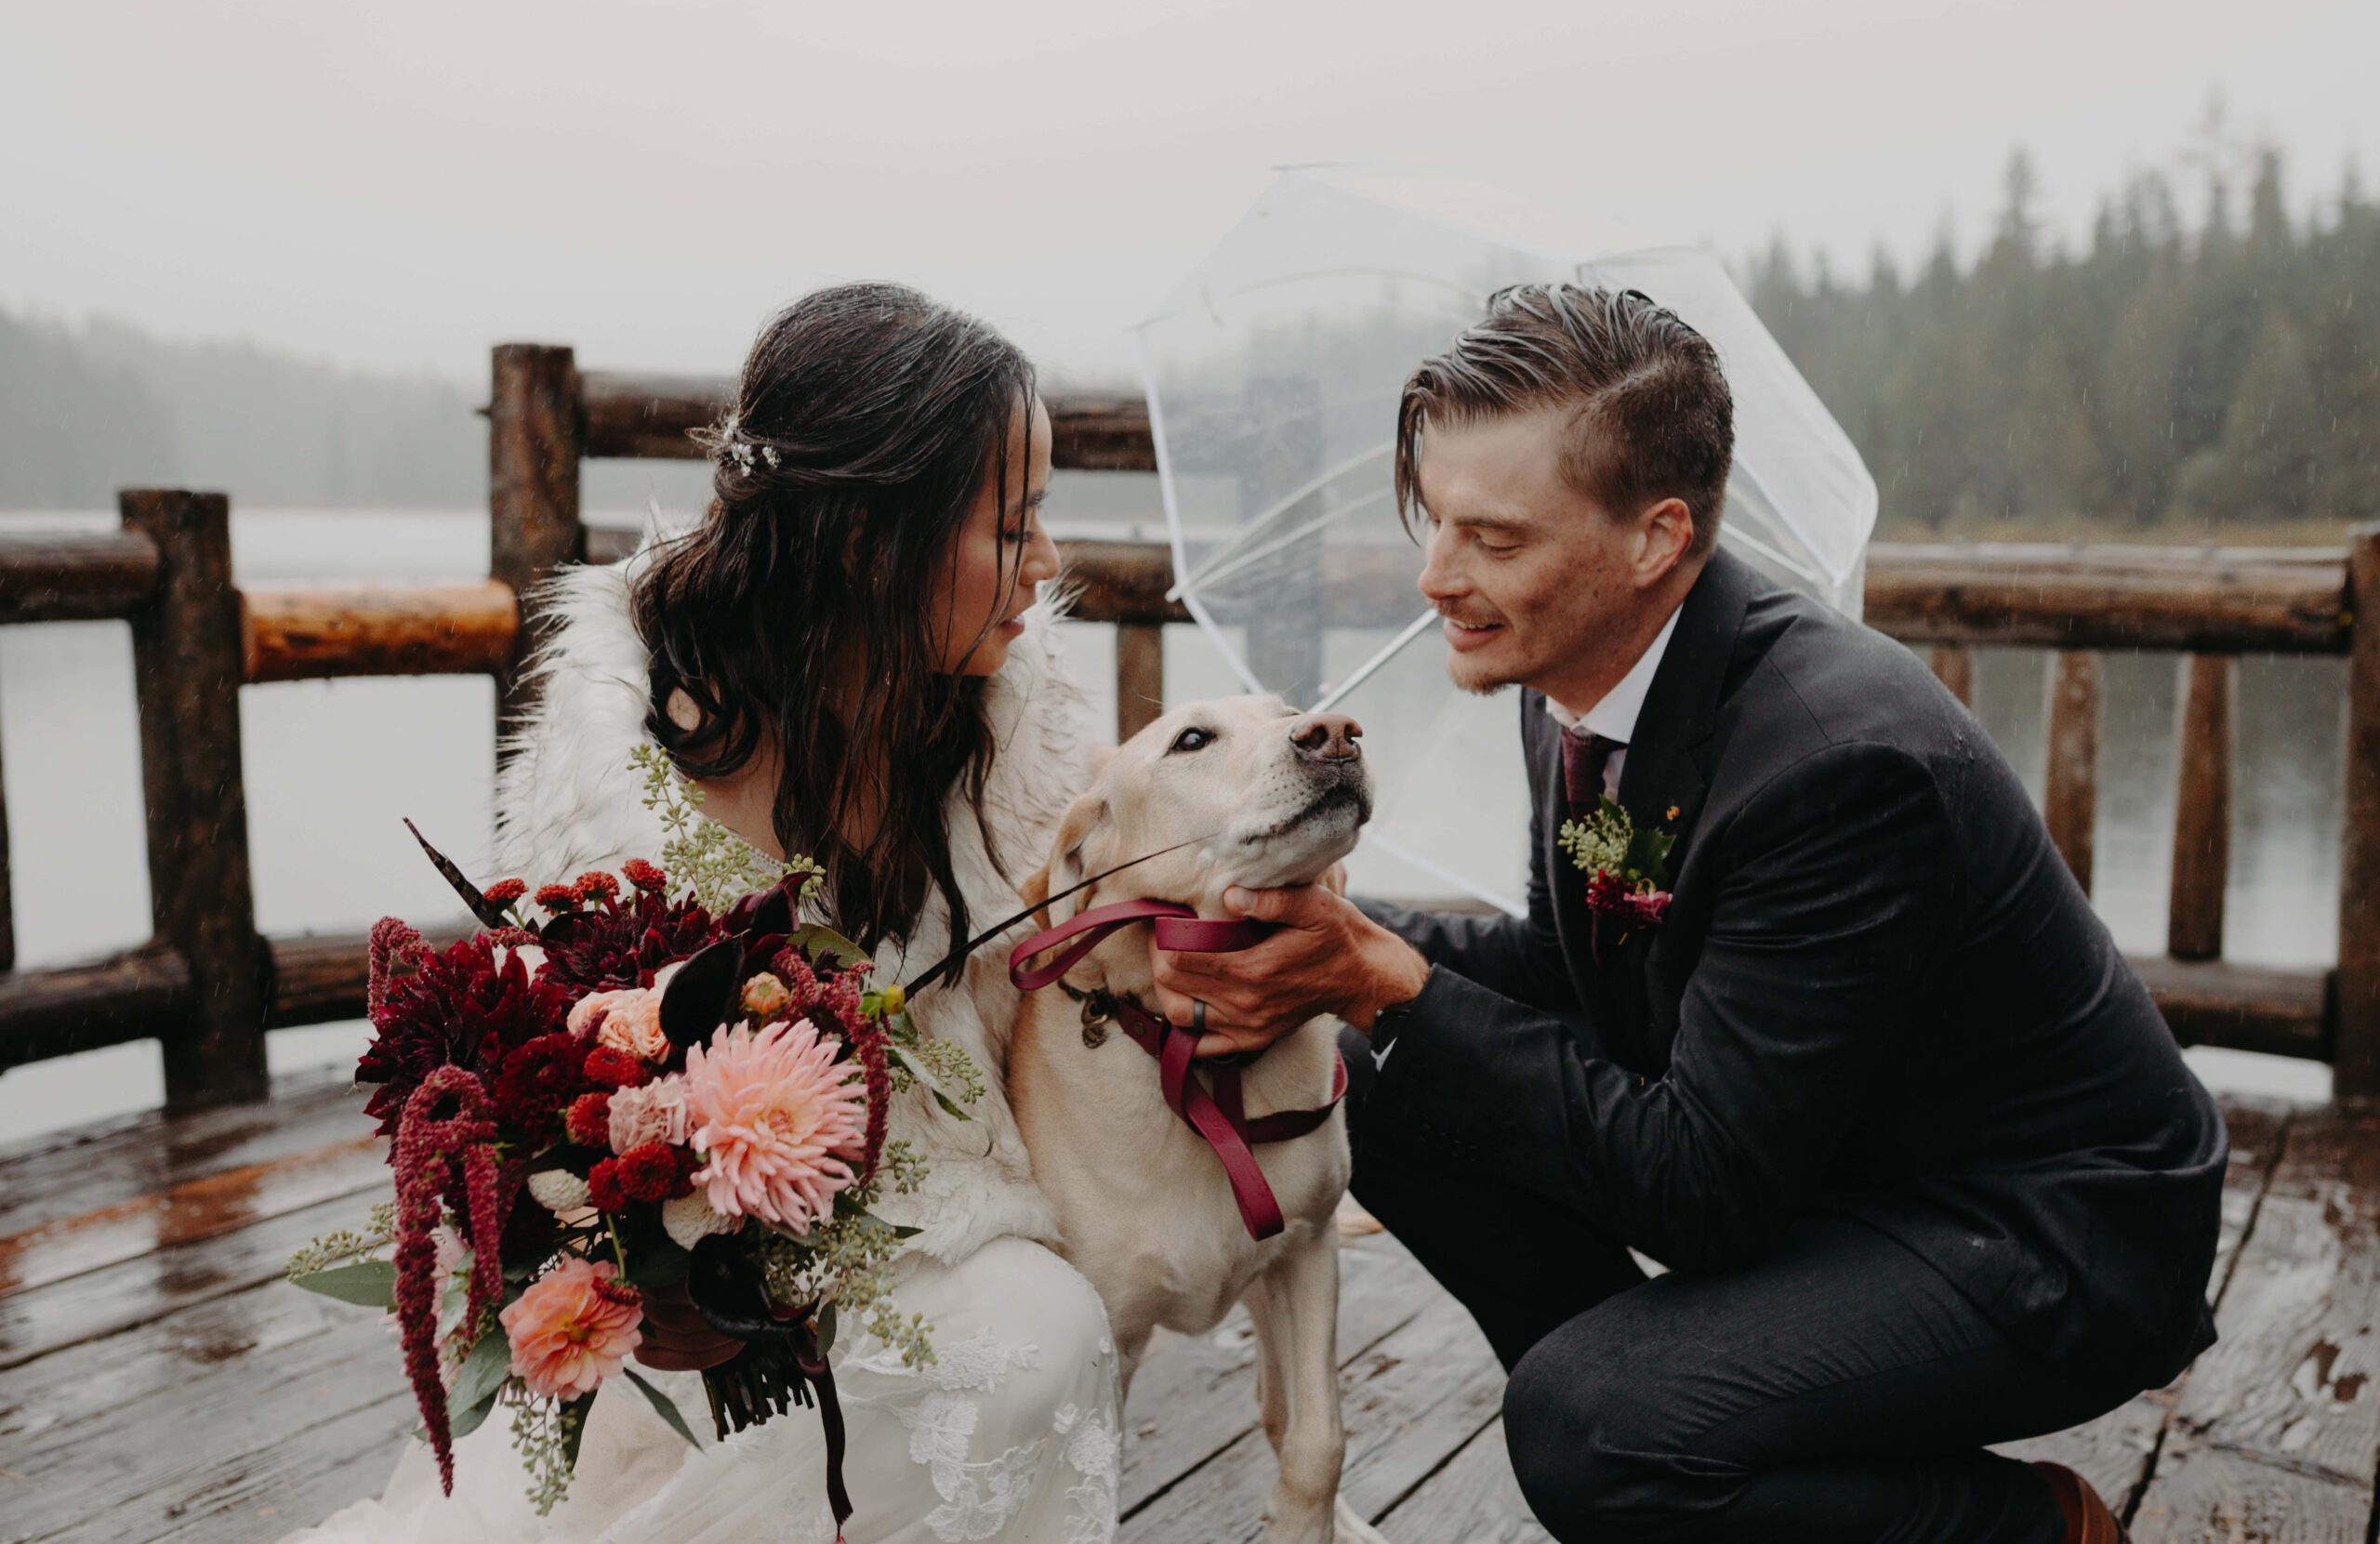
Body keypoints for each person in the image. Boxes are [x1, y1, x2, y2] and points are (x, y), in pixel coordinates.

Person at [1146, 284, 2226, 1544]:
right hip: (1828, 1161)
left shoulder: (1841, 764)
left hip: (2046, 1235)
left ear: (1655, 537)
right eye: (1433, 522)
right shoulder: (1567, 665)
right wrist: (1326, 938)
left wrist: (1383, 974)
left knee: (1590, 1430)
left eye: (1493, 538)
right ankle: (1703, 1423)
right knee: (1367, 1074)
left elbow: (1707, 1192)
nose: (1437, 577)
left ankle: (2025, 1527)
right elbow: (1567, 965)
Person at [288, 284, 1121, 1544]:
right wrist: (643, 1257)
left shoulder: (1025, 740)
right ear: (865, 540)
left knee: (1042, 1334)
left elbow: (1098, 1003)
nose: (1049, 564)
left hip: (953, 1226)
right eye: (1012, 526)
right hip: (681, 1301)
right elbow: (548, 1101)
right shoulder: (624, 759)